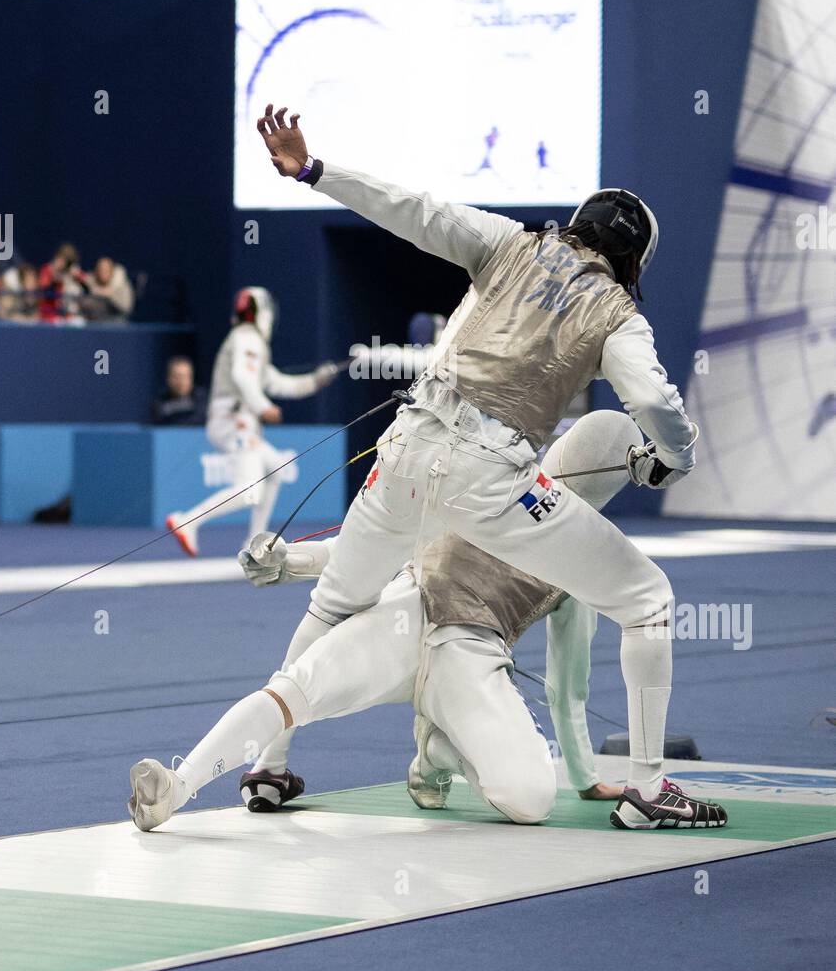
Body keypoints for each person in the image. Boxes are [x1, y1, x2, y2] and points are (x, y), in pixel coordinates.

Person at [251, 104, 717, 833]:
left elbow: (414, 210)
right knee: (646, 597)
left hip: (404, 452)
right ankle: (649, 790)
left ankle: (267, 768)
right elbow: (654, 401)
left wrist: (314, 170)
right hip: (494, 481)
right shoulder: (618, 313)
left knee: (335, 605)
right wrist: (674, 459)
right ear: (635, 261)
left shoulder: (510, 242)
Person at [128, 412, 682, 831]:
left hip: (468, 657)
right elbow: (383, 547)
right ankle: (177, 787)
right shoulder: (504, 489)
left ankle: (437, 750)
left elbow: (566, 688)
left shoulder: (564, 547)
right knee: (292, 690)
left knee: (529, 799)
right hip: (408, 614)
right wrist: (293, 559)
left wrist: (586, 780)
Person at [165, 286, 339, 555]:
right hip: (234, 420)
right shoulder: (247, 338)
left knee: (275, 470)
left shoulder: (248, 342)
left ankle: (253, 542)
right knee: (250, 489)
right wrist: (263, 406)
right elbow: (242, 377)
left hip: (236, 420)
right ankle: (187, 521)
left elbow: (280, 383)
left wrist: (316, 380)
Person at [152, 356, 208, 427]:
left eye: (185, 377)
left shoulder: (202, 399)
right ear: (168, 378)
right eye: (177, 377)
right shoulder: (160, 402)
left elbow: (199, 420)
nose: (181, 382)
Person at [37, 243, 84, 322]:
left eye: (66, 260)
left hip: (68, 314)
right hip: (49, 313)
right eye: (61, 258)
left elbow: (86, 283)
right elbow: (43, 287)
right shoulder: (47, 269)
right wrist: (54, 277)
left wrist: (75, 276)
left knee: (79, 322)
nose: (62, 262)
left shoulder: (72, 271)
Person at [80, 255, 134, 320]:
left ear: (112, 271)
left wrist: (110, 295)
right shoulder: (90, 283)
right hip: (95, 325)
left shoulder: (122, 287)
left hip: (117, 324)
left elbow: (126, 309)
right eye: (100, 270)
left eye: (106, 270)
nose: (103, 273)